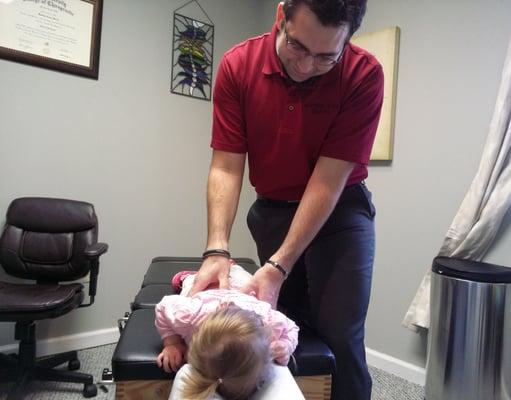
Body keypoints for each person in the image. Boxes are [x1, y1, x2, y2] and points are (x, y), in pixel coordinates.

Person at [189, 1, 383, 399]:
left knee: (339, 335)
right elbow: (226, 166)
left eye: (326, 56)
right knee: (279, 330)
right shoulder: (238, 66)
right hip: (273, 207)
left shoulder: (364, 75)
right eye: (297, 47)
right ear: (281, 16)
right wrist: (217, 249)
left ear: (347, 40)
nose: (307, 66)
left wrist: (279, 266)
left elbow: (328, 181)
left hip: (340, 211)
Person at [154, 263, 299, 400]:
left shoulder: (270, 321)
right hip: (212, 292)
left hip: (244, 290)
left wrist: (286, 344)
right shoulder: (188, 316)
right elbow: (162, 307)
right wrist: (172, 343)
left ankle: (225, 268)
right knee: (195, 284)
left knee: (234, 280)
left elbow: (292, 328)